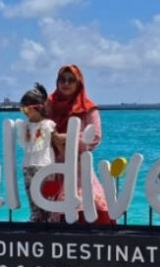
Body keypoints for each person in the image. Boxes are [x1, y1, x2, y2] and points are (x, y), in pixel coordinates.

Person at [46, 64, 113, 225]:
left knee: (87, 208)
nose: (66, 84)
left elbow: (95, 137)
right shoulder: (49, 106)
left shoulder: (88, 108)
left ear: (79, 84)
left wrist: (63, 138)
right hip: (51, 166)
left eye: (71, 80)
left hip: (78, 168)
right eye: (62, 80)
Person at [15, 82, 56, 222]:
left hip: (46, 165)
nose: (24, 112)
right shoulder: (24, 125)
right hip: (28, 165)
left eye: (26, 108)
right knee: (32, 196)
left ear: (38, 107)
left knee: (47, 197)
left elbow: (56, 142)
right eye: (22, 109)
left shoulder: (48, 125)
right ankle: (35, 219)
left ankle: (49, 221)